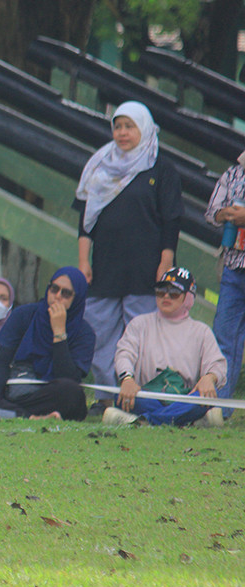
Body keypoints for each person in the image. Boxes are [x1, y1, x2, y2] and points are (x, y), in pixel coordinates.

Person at [74, 101, 184, 415]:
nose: (122, 133)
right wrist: (84, 262)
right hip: (105, 267)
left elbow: (171, 220)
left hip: (145, 268)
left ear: (145, 129)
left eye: (129, 127)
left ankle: (137, 399)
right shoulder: (100, 166)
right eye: (117, 126)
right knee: (98, 332)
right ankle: (106, 398)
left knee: (141, 336)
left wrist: (166, 261)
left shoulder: (160, 168)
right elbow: (85, 219)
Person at [0, 267, 95, 421]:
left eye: (66, 293)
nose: (57, 297)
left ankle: (8, 413)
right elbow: (2, 361)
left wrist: (59, 333)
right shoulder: (24, 315)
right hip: (16, 390)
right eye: (54, 289)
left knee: (72, 392)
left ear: (78, 298)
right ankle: (28, 417)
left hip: (50, 394)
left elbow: (69, 377)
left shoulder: (84, 332)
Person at [103, 267, 226, 427]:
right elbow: (124, 354)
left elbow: (218, 364)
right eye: (161, 291)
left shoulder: (201, 331)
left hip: (184, 398)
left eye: (174, 293)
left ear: (188, 297)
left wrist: (209, 378)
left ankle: (143, 422)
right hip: (145, 394)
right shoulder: (140, 324)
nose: (166, 296)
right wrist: (127, 379)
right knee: (122, 396)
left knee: (203, 399)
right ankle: (188, 421)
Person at [205, 152, 245, 415]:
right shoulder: (233, 174)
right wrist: (225, 214)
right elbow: (210, 214)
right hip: (233, 267)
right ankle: (219, 407)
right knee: (224, 338)